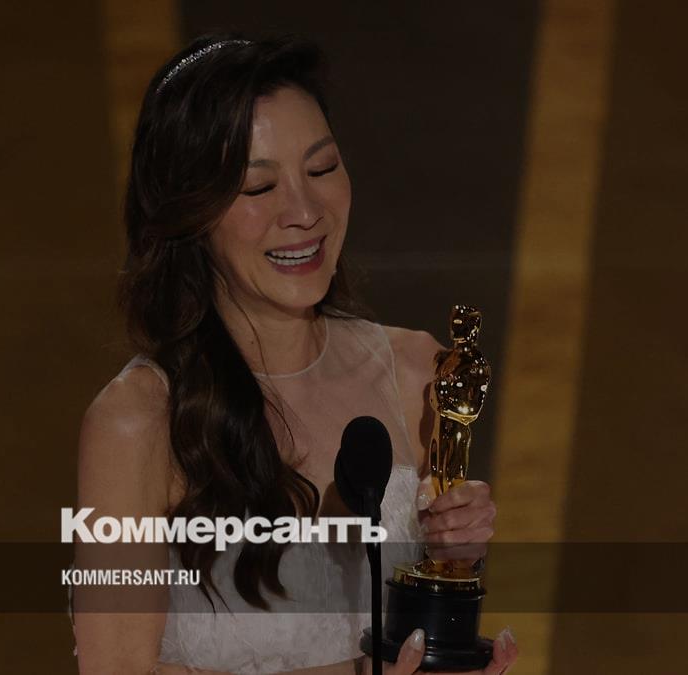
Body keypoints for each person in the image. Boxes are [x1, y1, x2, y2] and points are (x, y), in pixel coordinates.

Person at [71, 33, 519, 674]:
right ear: (189, 213)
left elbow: (418, 627)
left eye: (322, 168)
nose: (305, 212)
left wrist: (457, 557)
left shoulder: (417, 374)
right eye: (258, 187)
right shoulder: (136, 423)